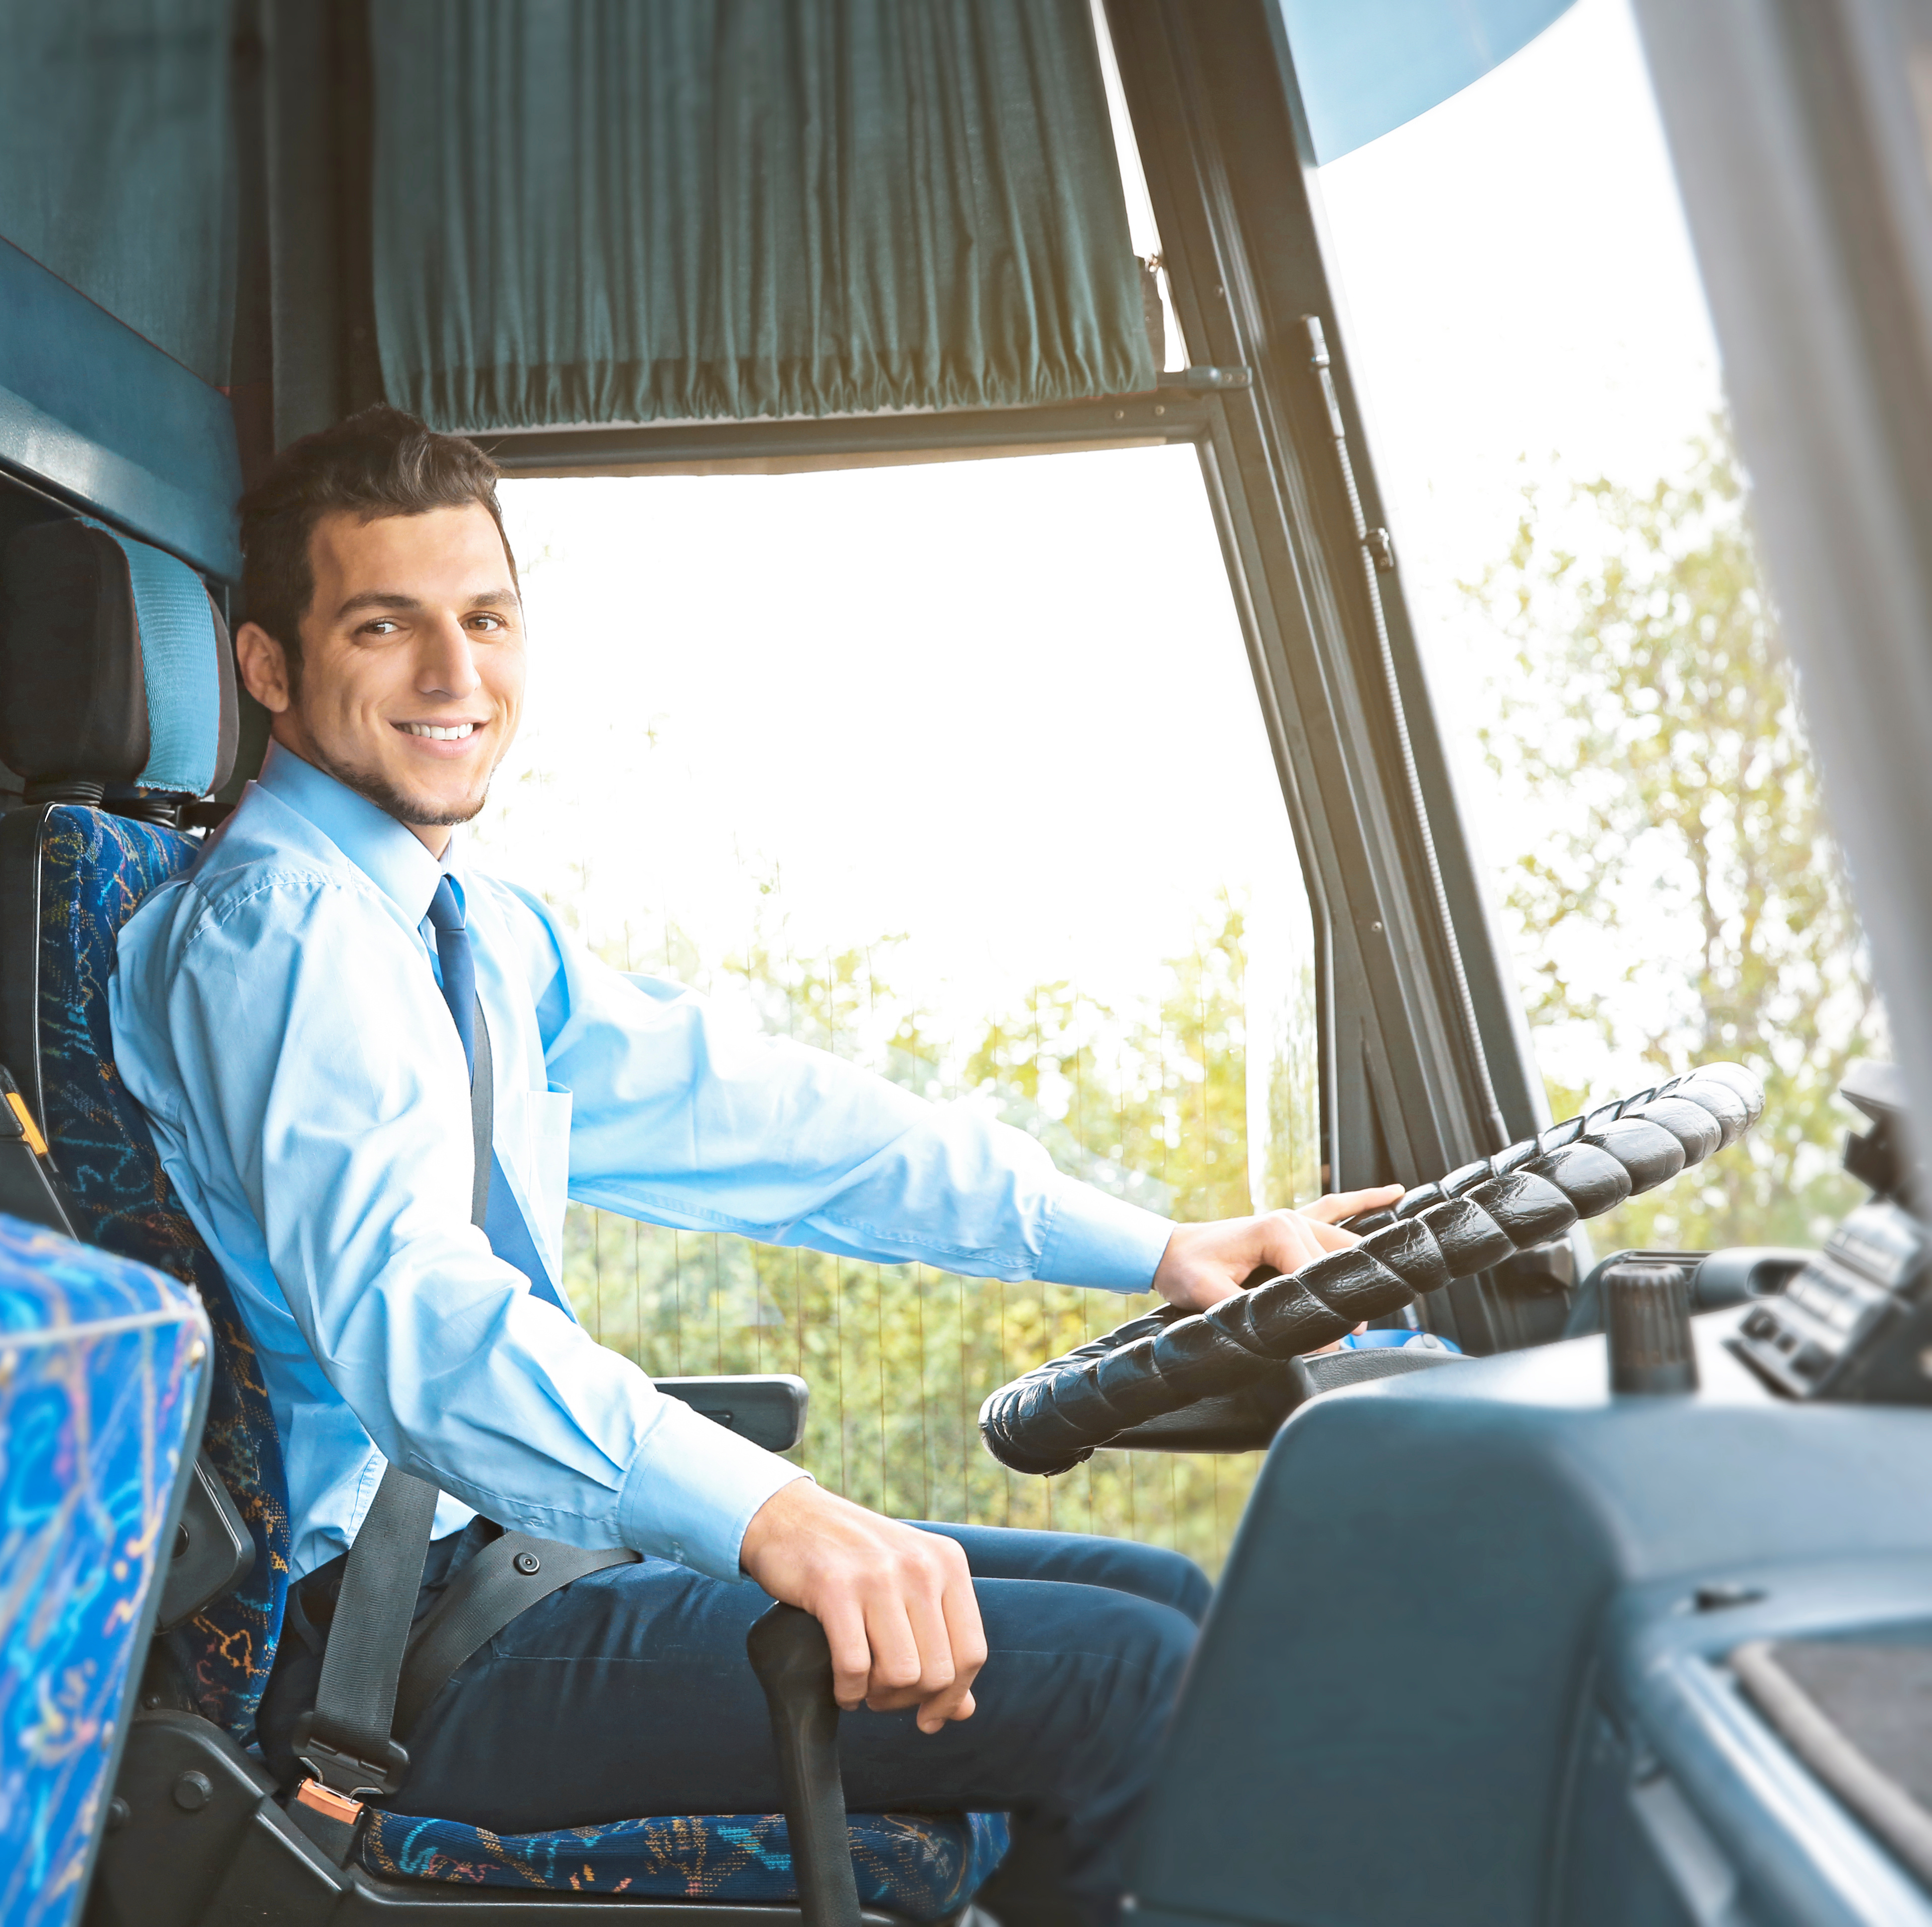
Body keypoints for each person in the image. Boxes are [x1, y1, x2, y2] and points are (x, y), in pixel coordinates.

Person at [110, 406, 1398, 1921]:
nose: (456, 679)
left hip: (507, 1561)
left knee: (1168, 1607)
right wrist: (775, 1514)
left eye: (487, 621)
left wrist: (1151, 1245)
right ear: (269, 667)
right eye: (387, 628)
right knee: (1138, 1677)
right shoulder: (288, 936)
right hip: (392, 1648)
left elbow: (770, 1127)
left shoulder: (462, 932)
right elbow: (422, 1325)